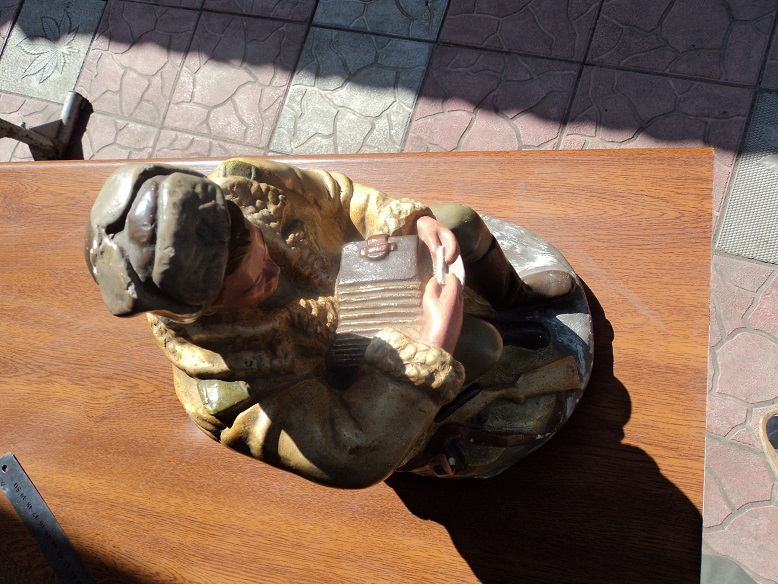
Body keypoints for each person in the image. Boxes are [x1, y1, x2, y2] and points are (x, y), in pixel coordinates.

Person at [86, 158, 574, 487]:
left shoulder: (247, 183)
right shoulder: (228, 392)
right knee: (479, 344)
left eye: (261, 247)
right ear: (208, 309)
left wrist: (409, 222)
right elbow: (350, 452)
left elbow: (339, 196)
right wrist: (431, 345)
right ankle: (439, 432)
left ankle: (515, 295)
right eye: (253, 286)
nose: (273, 273)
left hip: (371, 272)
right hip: (362, 375)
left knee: (460, 222)